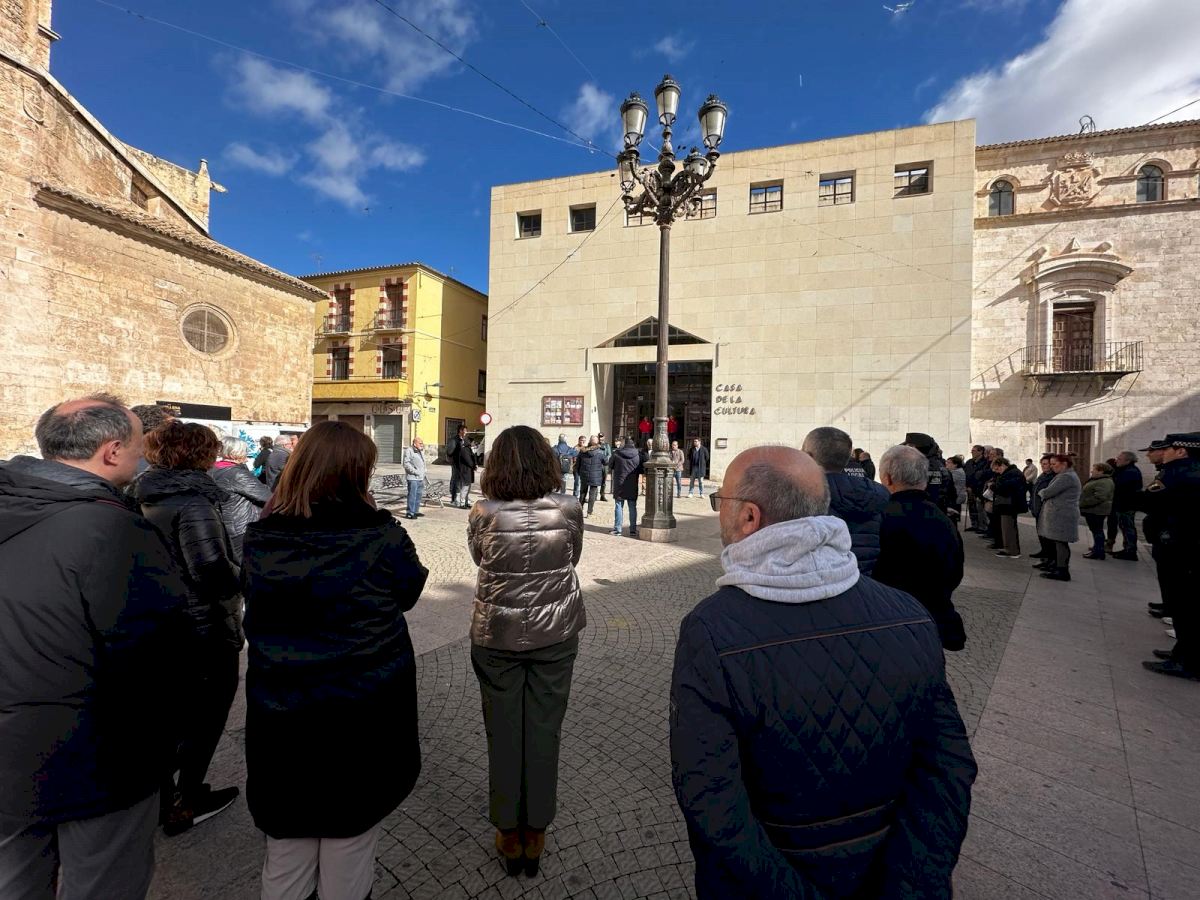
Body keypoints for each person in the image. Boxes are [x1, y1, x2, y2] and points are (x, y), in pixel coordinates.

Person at [670, 446, 976, 898]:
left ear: (749, 516)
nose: (719, 513)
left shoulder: (711, 630)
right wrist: (910, 884)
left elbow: (710, 796)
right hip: (893, 869)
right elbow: (947, 767)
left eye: (722, 502)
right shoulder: (909, 613)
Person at [0, 394, 194, 899]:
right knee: (102, 884)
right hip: (98, 756)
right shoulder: (114, 528)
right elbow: (157, 655)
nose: (143, 455)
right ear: (111, 451)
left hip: (12, 751)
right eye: (138, 445)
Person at [241, 421, 427, 900]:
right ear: (356, 475)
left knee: (286, 844)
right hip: (362, 707)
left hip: (282, 707)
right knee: (350, 838)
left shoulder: (261, 536)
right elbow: (409, 590)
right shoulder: (381, 536)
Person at [468, 426, 586, 876]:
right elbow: (572, 557)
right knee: (544, 730)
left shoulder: (484, 511)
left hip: (496, 633)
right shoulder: (568, 507)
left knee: (502, 733)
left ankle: (507, 829)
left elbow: (479, 558)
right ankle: (535, 832)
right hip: (555, 632)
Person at [134, 421, 243, 835]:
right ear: (200, 454)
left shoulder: (143, 493)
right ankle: (185, 802)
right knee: (205, 717)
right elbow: (213, 572)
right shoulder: (194, 502)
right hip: (202, 628)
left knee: (174, 718)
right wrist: (248, 575)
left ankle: (165, 797)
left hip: (163, 621)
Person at [874, 445, 967, 650]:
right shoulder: (943, 520)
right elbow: (955, 569)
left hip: (892, 622)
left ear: (887, 478)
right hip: (935, 620)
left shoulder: (880, 518)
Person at [1133, 433, 1200, 680]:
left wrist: (1130, 497)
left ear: (1181, 451)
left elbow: (1150, 500)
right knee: (1186, 606)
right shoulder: (1189, 471)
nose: (1164, 452)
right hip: (1184, 545)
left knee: (1186, 607)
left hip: (1182, 547)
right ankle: (1182, 653)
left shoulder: (1181, 472)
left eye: (1169, 448)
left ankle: (1188, 663)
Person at [802, 427, 888, 575]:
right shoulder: (877, 494)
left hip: (820, 581)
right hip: (867, 579)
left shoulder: (799, 494)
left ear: (809, 456)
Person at [209, 435, 272, 564]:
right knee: (245, 565)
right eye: (244, 451)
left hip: (223, 524)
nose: (246, 454)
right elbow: (267, 496)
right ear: (236, 453)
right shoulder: (236, 474)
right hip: (241, 526)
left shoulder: (213, 469)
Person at [1035, 454, 1082, 581]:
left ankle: (1062, 570)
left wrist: (1041, 492)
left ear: (1064, 464)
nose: (1052, 467)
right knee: (1058, 542)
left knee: (1061, 543)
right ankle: (1057, 566)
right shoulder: (1064, 475)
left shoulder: (1066, 477)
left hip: (1062, 515)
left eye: (1054, 464)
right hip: (1060, 514)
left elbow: (1047, 492)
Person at [903, 432, 952, 513]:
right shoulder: (932, 463)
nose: (906, 450)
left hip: (927, 511)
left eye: (909, 447)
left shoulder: (929, 466)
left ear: (918, 448)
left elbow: (933, 493)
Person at [990, 456, 1028, 559]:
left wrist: (994, 486)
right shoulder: (1011, 473)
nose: (997, 472)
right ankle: (1008, 548)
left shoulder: (1013, 473)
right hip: (1007, 504)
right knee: (1006, 527)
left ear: (1002, 465)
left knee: (1009, 527)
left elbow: (1005, 488)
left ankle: (1012, 550)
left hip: (1010, 504)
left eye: (997, 469)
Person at [1108, 451, 1144, 560]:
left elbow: (1118, 485)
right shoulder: (1126, 470)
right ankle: (1127, 549)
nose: (1116, 460)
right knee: (1125, 527)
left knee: (1127, 527)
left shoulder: (1130, 472)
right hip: (1124, 503)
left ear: (1128, 461)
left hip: (1127, 504)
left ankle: (1130, 550)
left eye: (1119, 459)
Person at [1080, 462, 1115, 561]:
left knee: (1097, 531)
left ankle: (1098, 551)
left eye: (1094, 469)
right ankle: (1097, 549)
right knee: (1096, 531)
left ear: (1101, 471)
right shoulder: (1099, 480)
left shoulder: (1104, 482)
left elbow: (1100, 497)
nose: (1092, 471)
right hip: (1094, 510)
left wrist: (1083, 503)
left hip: (1097, 510)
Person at [608, 437, 643, 537]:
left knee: (619, 505)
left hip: (619, 483)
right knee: (632, 506)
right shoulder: (638, 455)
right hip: (632, 483)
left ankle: (618, 529)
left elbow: (610, 465)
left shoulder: (617, 453)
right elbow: (641, 469)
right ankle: (633, 530)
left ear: (624, 444)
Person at [1029, 456, 1057, 562]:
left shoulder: (1053, 477)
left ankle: (1048, 556)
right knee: (1040, 532)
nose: (1043, 466)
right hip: (1037, 508)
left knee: (1047, 535)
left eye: (1045, 464)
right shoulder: (1043, 475)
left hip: (1045, 510)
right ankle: (1044, 551)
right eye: (1042, 464)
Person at [449, 425, 478, 508]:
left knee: (465, 485)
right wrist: (473, 465)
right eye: (464, 430)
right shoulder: (455, 440)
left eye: (466, 430)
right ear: (460, 431)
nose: (465, 432)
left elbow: (471, 456)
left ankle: (464, 501)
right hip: (458, 466)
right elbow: (450, 453)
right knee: (458, 484)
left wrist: (474, 464)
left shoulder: (466, 442)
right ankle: (457, 500)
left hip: (465, 467)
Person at [576, 438, 606, 518]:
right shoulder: (600, 452)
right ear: (597, 443)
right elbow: (606, 462)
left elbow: (578, 464)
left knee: (583, 493)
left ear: (589, 442)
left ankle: (579, 511)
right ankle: (589, 512)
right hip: (595, 476)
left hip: (584, 475)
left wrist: (579, 473)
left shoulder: (582, 451)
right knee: (592, 494)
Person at [962, 445, 986, 532]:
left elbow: (982, 476)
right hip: (969, 488)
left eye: (974, 451)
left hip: (979, 488)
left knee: (980, 508)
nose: (972, 452)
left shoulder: (985, 462)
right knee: (971, 507)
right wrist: (967, 486)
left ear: (980, 452)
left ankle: (982, 526)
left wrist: (973, 486)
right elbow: (965, 474)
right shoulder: (969, 462)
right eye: (972, 451)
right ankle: (974, 524)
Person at [402, 437, 426, 521]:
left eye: (422, 443)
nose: (422, 444)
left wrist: (423, 471)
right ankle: (410, 513)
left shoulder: (420, 451)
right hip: (412, 478)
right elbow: (406, 464)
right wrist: (415, 471)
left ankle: (415, 511)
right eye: (420, 443)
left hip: (420, 477)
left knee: (418, 495)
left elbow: (422, 463)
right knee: (412, 495)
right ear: (414, 443)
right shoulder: (409, 451)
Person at [945, 455, 967, 525]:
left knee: (952, 516)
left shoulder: (957, 472)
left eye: (949, 463)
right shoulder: (955, 471)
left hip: (957, 496)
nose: (947, 464)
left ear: (955, 464)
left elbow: (948, 481)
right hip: (957, 495)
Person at [596, 433, 611, 502]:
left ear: (604, 437)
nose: (600, 438)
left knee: (604, 481)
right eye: (599, 437)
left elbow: (609, 455)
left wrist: (604, 460)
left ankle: (602, 495)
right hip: (597, 465)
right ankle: (595, 495)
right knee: (595, 480)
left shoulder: (607, 445)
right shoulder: (596, 445)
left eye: (602, 437)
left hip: (605, 465)